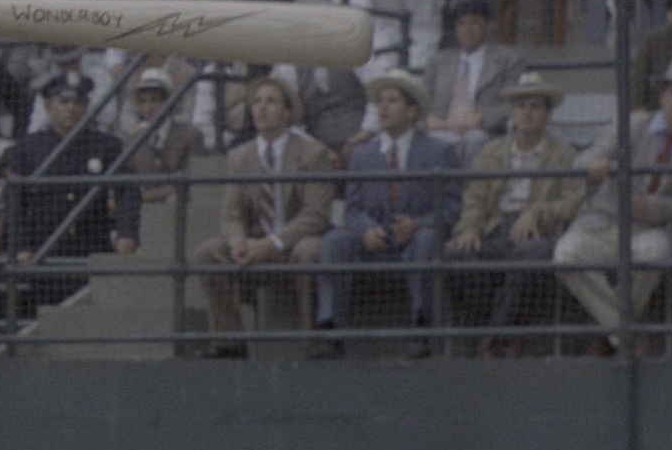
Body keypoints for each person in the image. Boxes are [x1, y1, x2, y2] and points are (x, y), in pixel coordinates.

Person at [555, 57, 672, 342]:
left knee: (653, 253)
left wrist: (651, 208)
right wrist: (598, 163)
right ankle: (624, 333)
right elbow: (582, 160)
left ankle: (610, 332)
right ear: (662, 96)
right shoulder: (634, 123)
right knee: (566, 254)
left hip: (655, 228)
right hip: (607, 222)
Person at [313, 70, 459, 358]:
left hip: (415, 239)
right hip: (374, 238)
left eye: (392, 101)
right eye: (380, 101)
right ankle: (331, 331)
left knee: (428, 241)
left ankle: (422, 329)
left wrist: (418, 224)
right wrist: (365, 229)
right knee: (334, 240)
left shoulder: (439, 152)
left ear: (412, 110)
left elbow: (454, 207)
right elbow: (352, 210)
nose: (383, 107)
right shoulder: (361, 155)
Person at [191, 76, 335, 357]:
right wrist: (238, 242)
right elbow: (231, 213)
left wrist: (270, 244)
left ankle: (313, 342)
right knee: (208, 252)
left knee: (310, 250)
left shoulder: (312, 153)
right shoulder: (240, 157)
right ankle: (228, 343)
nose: (261, 108)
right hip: (255, 244)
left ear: (287, 113)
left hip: (293, 243)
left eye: (271, 101)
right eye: (257, 101)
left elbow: (316, 215)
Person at [443, 73, 585, 352]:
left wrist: (537, 213)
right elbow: (474, 197)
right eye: (521, 106)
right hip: (496, 227)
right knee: (456, 254)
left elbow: (574, 201)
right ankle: (493, 334)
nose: (527, 113)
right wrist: (470, 227)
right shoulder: (492, 151)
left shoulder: (564, 154)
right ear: (512, 111)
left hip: (538, 233)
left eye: (534, 106)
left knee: (528, 256)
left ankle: (490, 339)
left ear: (548, 115)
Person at [5, 72, 141, 315]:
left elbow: (128, 189)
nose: (71, 109)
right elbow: (16, 201)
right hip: (44, 252)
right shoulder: (27, 149)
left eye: (78, 103)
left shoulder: (105, 145)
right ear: (48, 106)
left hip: (90, 248)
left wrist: (126, 232)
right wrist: (21, 245)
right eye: (64, 102)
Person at [424, 0, 526, 164]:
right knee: (433, 142)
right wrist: (427, 118)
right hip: (441, 127)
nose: (467, 29)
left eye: (474, 22)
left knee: (474, 141)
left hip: (483, 130)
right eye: (461, 23)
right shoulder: (439, 61)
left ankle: (471, 190)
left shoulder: (508, 59)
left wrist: (483, 117)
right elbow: (421, 99)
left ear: (487, 25)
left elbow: (515, 101)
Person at [125, 68, 202, 203]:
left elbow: (193, 179)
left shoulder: (191, 135)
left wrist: (156, 194)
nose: (148, 107)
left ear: (168, 102)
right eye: (143, 101)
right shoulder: (132, 140)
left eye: (154, 100)